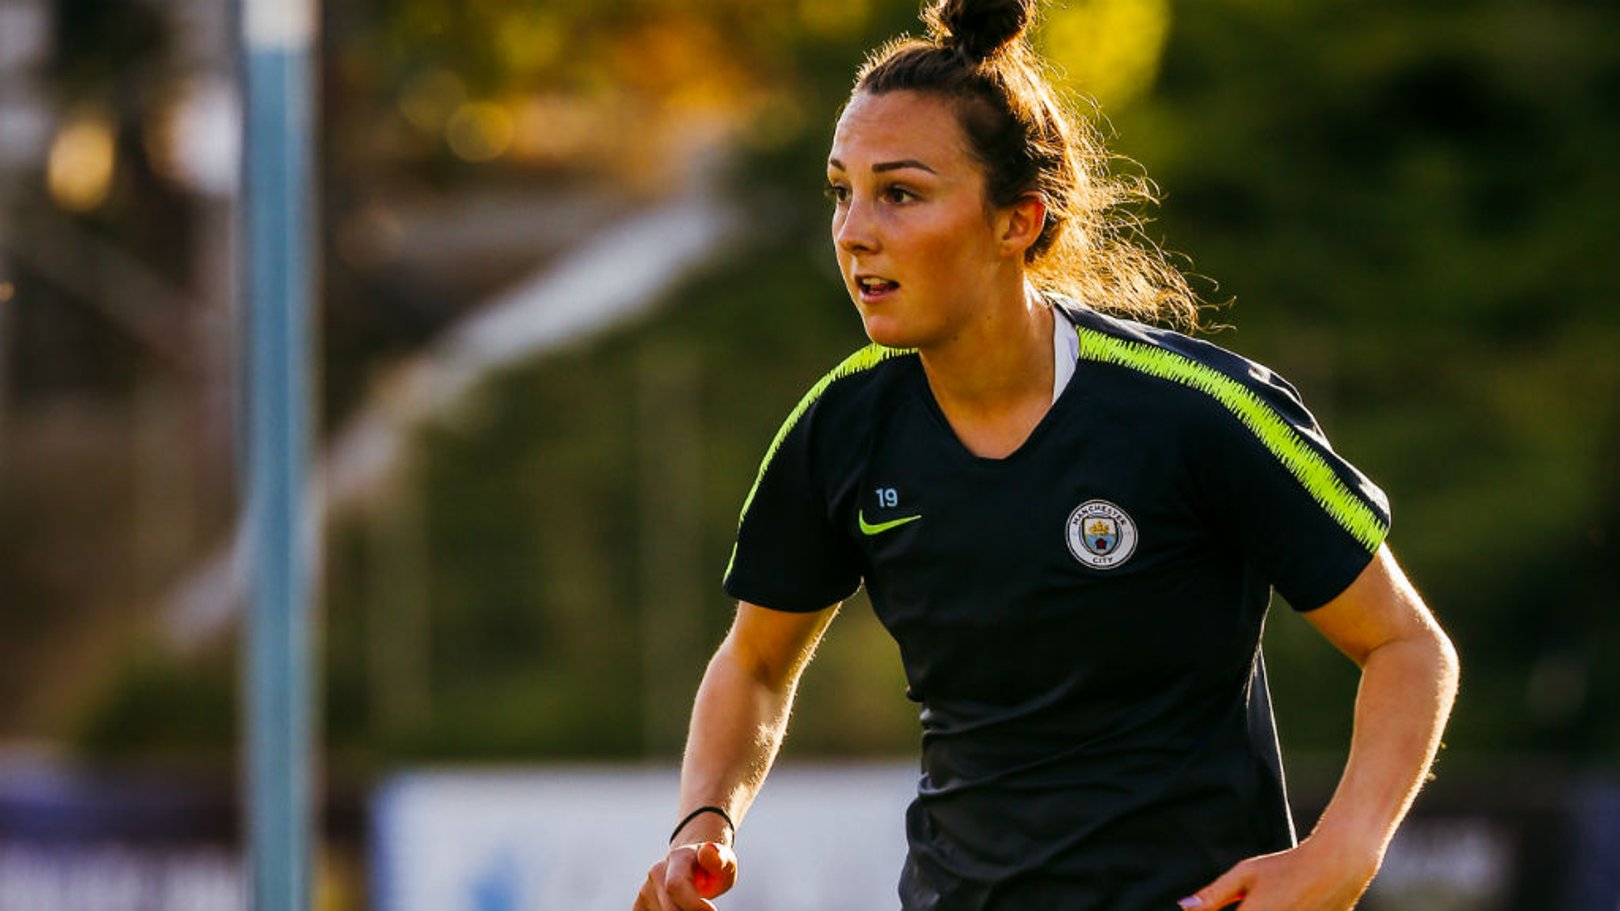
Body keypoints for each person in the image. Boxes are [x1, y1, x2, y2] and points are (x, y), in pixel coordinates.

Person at [634, 0, 1460, 908]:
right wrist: (703, 820)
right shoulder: (842, 425)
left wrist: (1343, 849)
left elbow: (1407, 645)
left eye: (900, 192)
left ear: (1018, 220)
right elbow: (754, 662)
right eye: (842, 191)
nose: (854, 231)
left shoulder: (1195, 412)